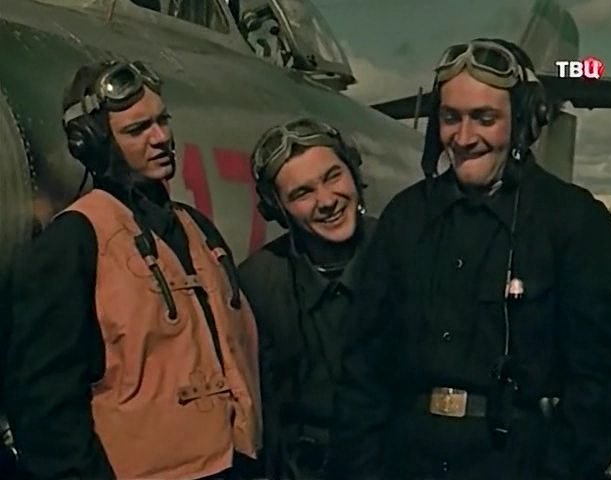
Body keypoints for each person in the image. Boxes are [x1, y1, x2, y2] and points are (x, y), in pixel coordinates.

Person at [327, 39, 611, 480]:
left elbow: (607, 391)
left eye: (484, 119)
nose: (464, 138)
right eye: (450, 118)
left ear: (524, 122)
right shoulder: (405, 219)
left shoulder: (576, 224)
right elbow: (362, 372)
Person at [4, 60, 262, 480]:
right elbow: (45, 404)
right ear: (94, 144)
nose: (161, 138)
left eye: (163, 121)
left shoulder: (199, 230)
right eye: (138, 129)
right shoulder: (73, 243)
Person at [238, 118, 376, 480]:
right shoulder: (257, 285)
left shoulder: (404, 252)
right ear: (277, 210)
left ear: (353, 173)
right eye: (302, 193)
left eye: (333, 177)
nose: (327, 201)